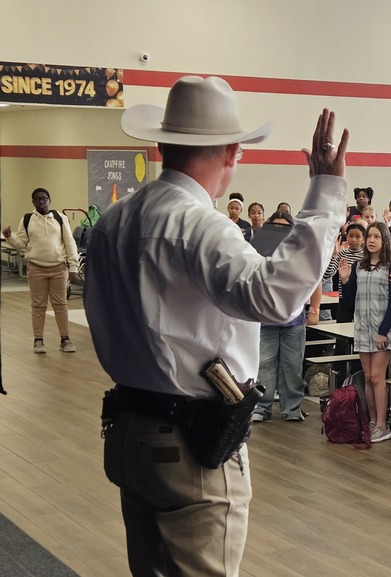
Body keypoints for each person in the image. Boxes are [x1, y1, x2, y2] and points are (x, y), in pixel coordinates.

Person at [85, 77, 347, 576]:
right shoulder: (198, 225)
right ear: (232, 152)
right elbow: (275, 298)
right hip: (189, 443)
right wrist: (325, 195)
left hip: (130, 430)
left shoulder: (114, 221)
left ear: (161, 145)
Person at [251, 211, 320, 423]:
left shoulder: (300, 252)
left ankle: (292, 408)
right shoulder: (257, 250)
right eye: (275, 227)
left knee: (293, 367)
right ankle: (262, 407)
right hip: (265, 320)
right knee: (264, 366)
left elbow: (315, 281)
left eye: (284, 227)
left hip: (294, 321)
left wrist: (314, 309)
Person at [339, 222, 391, 442]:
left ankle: (383, 425)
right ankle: (372, 421)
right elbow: (349, 300)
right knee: (367, 377)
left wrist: (383, 331)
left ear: (384, 240)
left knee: (377, 377)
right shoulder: (359, 266)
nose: (372, 240)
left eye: (376, 236)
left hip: (381, 330)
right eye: (369, 236)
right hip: (362, 327)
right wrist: (345, 279)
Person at [3, 187, 80, 354]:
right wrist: (9, 236)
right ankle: (38, 340)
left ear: (49, 200)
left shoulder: (60, 218)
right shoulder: (28, 219)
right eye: (37, 199)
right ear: (33, 202)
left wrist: (73, 266)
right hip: (36, 268)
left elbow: (70, 243)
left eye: (44, 198)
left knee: (61, 305)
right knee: (38, 306)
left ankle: (65, 339)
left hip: (59, 268)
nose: (41, 201)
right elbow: (21, 243)